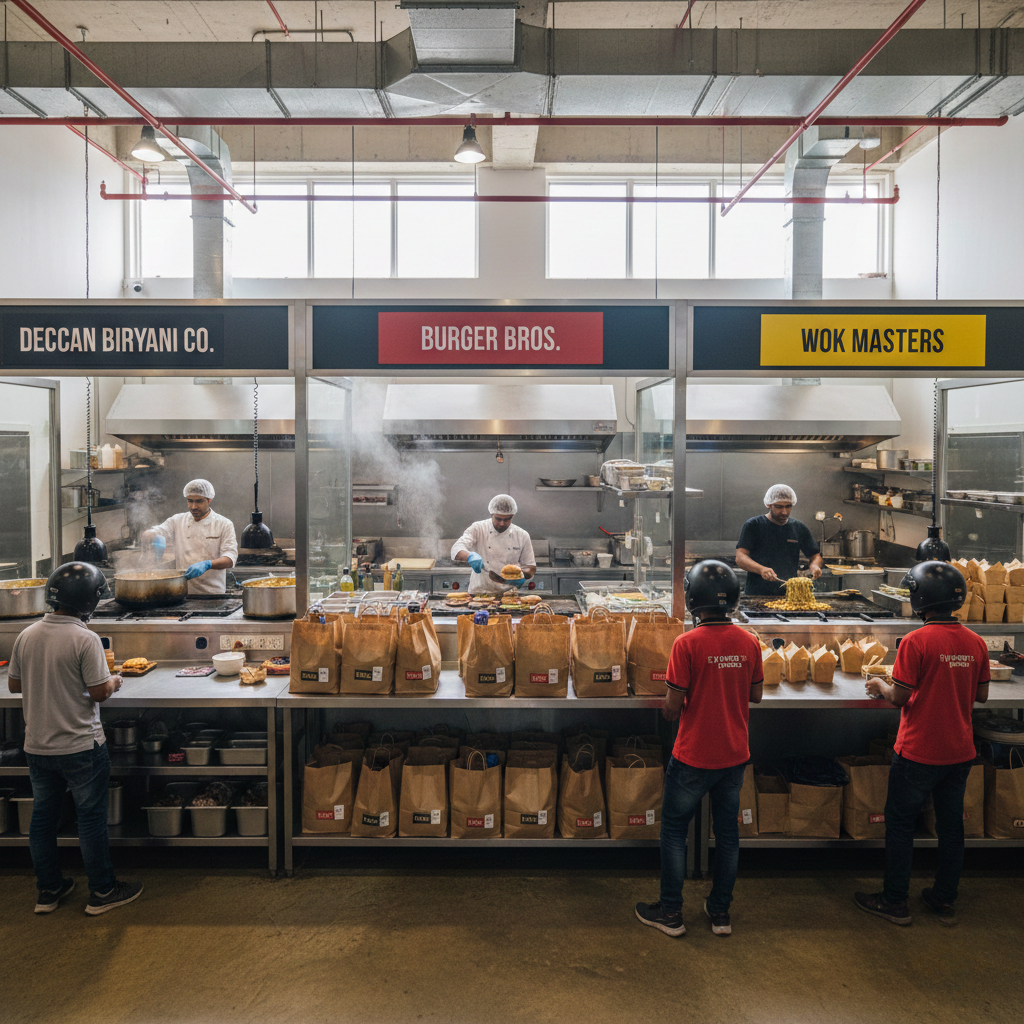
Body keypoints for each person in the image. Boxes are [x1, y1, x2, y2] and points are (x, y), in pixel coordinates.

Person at [855, 561, 989, 927]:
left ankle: (894, 901)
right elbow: (982, 695)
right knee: (951, 826)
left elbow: (899, 697)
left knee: (900, 825)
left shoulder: (916, 641)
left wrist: (880, 685)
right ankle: (944, 899)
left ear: (919, 598)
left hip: (918, 752)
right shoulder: (975, 641)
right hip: (959, 751)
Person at [635, 559, 763, 938]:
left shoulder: (686, 643)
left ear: (692, 599)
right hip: (734, 755)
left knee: (675, 831)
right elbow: (756, 695)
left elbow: (672, 707)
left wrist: (672, 704)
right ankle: (720, 912)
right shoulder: (749, 641)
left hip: (693, 756)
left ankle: (671, 913)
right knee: (727, 835)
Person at [7, 562, 143, 916]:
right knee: (90, 819)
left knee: (42, 818)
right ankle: (102, 890)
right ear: (90, 601)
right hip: (81, 746)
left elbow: (15, 684)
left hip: (38, 746)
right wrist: (115, 680)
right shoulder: (85, 638)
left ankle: (48, 890)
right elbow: (99, 692)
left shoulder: (27, 634)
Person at [140, 478, 238, 595]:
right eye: (190, 501)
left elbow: (230, 559)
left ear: (209, 500)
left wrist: (208, 564)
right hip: (182, 592)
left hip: (213, 594)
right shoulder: (178, 520)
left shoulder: (224, 524)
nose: (193, 506)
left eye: (199, 501)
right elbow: (158, 530)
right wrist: (151, 535)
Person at [735, 484, 824, 596]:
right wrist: (761, 569)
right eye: (779, 507)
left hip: (789, 594)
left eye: (788, 506)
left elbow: (815, 556)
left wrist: (815, 565)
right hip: (757, 593)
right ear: (768, 504)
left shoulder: (799, 528)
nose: (784, 512)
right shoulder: (754, 525)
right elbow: (740, 557)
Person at [452, 494, 537, 595]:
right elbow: (457, 548)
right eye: (498, 519)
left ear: (513, 516)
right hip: (479, 592)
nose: (502, 523)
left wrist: (522, 574)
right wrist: (469, 556)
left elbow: (530, 566)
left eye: (507, 519)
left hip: (508, 595)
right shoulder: (478, 528)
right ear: (491, 514)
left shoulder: (522, 535)